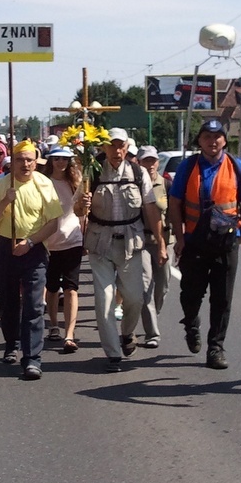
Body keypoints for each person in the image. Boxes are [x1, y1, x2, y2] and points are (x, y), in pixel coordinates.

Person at [167, 118, 241, 369]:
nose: (213, 141)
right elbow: (175, 204)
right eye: (207, 136)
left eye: (217, 136)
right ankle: (191, 323)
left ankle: (215, 348)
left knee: (222, 299)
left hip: (225, 244)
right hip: (194, 242)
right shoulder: (188, 166)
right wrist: (180, 238)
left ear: (225, 140)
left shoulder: (236, 167)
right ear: (200, 141)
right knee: (191, 293)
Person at [77, 128, 167, 372]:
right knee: (104, 299)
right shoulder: (92, 172)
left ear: (127, 148)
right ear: (104, 148)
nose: (117, 151)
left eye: (121, 146)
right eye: (112, 146)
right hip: (100, 243)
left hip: (130, 244)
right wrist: (82, 204)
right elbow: (77, 210)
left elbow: (150, 209)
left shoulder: (138, 173)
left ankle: (127, 333)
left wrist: (159, 243)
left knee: (135, 298)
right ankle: (113, 353)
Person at [0, 139, 62, 380]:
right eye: (20, 160)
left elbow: (53, 223)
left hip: (34, 248)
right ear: (13, 162)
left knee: (33, 304)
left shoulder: (44, 185)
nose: (25, 164)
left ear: (36, 163)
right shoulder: (1, 184)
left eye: (29, 160)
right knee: (8, 302)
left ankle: (32, 358)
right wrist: (6, 200)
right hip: (6, 247)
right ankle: (11, 343)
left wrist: (29, 243)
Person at [43, 146, 84, 353]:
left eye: (64, 159)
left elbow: (82, 211)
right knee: (51, 288)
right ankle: (53, 325)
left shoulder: (75, 182)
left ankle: (69, 333)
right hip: (48, 242)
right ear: (51, 160)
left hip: (72, 239)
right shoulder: (43, 182)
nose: (61, 162)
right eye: (57, 159)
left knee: (71, 288)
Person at [136, 145, 171, 348]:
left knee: (162, 287)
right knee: (145, 286)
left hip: (165, 241)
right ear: (139, 163)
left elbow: (175, 212)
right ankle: (152, 333)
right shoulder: (134, 184)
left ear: (157, 162)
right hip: (141, 242)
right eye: (145, 160)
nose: (149, 164)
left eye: (152, 160)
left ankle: (152, 315)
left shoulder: (166, 184)